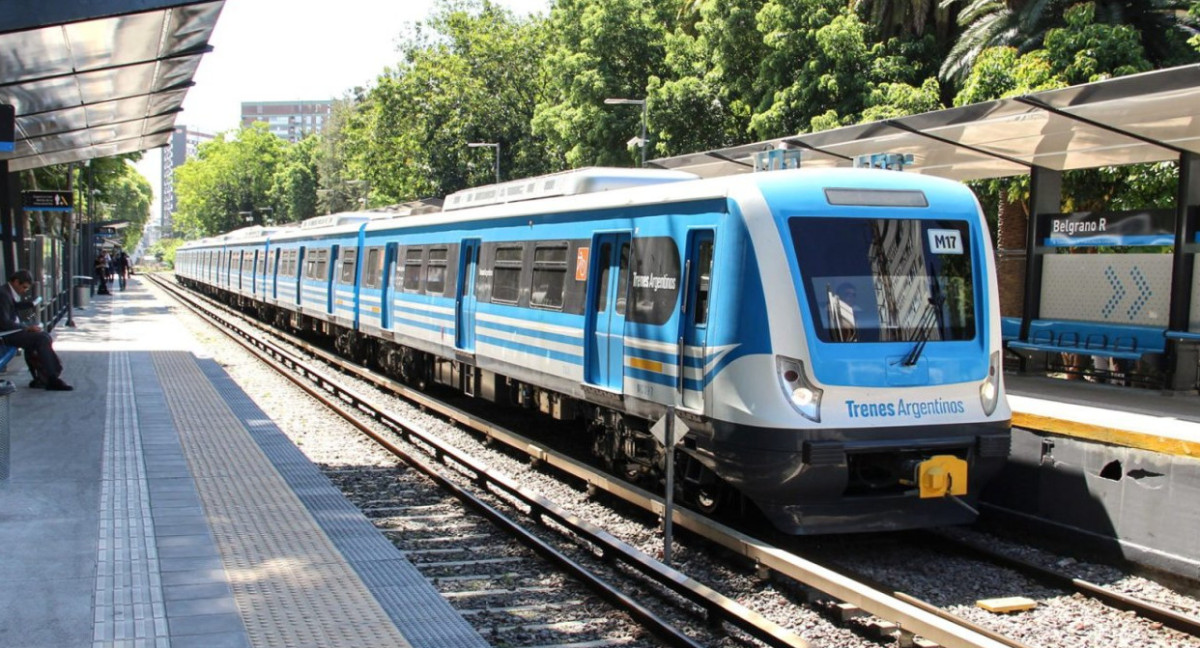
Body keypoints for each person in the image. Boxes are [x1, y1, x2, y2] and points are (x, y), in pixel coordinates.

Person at [0, 270, 73, 391]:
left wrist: (30, 303)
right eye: (23, 287)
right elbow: (3, 322)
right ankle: (52, 378)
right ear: (16, 282)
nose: (24, 291)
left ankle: (42, 377)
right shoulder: (3, 294)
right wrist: (26, 327)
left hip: (11, 331)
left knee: (41, 337)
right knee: (41, 338)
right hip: (6, 334)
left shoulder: (6, 292)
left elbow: (13, 307)